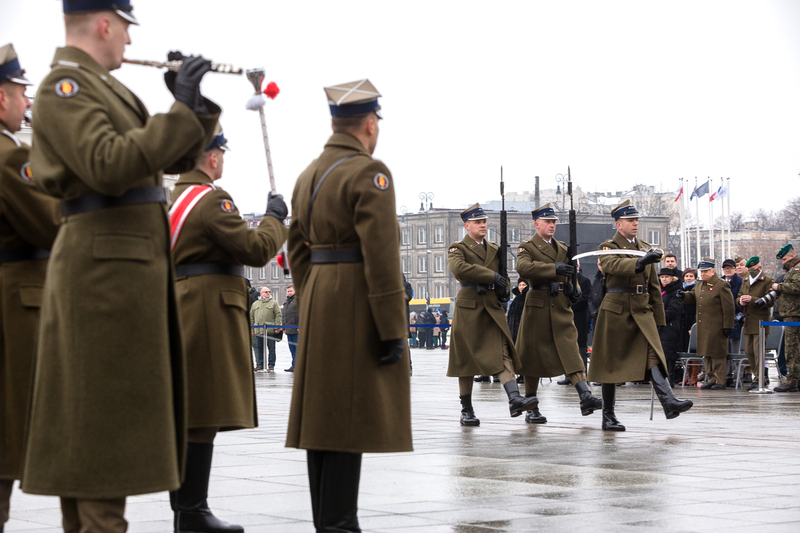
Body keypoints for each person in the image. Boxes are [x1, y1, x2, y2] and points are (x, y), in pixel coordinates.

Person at [22, 2, 220, 531]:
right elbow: (109, 164)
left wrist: (193, 107)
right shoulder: (65, 86)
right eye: (127, 30)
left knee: (99, 449)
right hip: (101, 280)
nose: (130, 44)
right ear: (106, 23)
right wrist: (178, 112)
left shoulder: (100, 87)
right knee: (101, 443)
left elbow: (164, 158)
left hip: (116, 275)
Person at [285, 78, 411, 532]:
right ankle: (341, 525)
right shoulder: (368, 172)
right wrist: (393, 328)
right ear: (370, 124)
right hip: (356, 299)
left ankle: (330, 521)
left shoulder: (308, 174)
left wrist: (315, 290)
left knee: (324, 417)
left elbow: (296, 245)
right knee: (350, 417)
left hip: (321, 294)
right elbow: (381, 256)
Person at [169, 125, 288, 532]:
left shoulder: (174, 198)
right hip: (208, 308)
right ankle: (192, 510)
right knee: (202, 412)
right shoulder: (212, 199)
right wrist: (274, 218)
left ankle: (188, 509)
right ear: (213, 156)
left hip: (185, 301)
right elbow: (254, 249)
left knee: (191, 412)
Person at [0, 43, 60, 530]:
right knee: (7, 441)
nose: (28, 102)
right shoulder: (8, 156)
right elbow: (53, 224)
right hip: (13, 308)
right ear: (2, 99)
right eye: (22, 91)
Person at [589, 200, 692, 431]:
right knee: (610, 364)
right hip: (616, 308)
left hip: (642, 307)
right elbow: (612, 266)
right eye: (630, 220)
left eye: (636, 220)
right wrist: (639, 262)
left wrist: (658, 316)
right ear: (618, 224)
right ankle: (608, 415)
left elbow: (653, 284)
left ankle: (669, 402)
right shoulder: (608, 246)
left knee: (653, 355)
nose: (635, 223)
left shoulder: (644, 246)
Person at [447, 203, 537, 426]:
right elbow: (460, 269)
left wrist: (504, 287)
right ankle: (466, 409)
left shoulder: (495, 249)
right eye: (478, 222)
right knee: (466, 362)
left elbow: (504, 276)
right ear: (467, 226)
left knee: (503, 351)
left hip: (491, 306)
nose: (483, 225)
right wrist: (491, 276)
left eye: (485, 222)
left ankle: (514, 397)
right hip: (469, 307)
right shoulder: (458, 248)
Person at [515, 203, 602, 423]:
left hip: (561, 305)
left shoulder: (562, 247)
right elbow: (523, 268)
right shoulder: (528, 246)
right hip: (538, 305)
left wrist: (576, 291)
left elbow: (572, 275)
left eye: (554, 222)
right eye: (547, 222)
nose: (552, 225)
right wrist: (554, 268)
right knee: (532, 357)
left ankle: (585, 395)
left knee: (571, 350)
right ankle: (531, 404)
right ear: (537, 224)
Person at [678, 259, 735, 389]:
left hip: (717, 325)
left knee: (717, 354)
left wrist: (728, 325)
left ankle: (720, 380)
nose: (703, 274)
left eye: (706, 271)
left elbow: (729, 308)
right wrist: (683, 296)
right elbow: (693, 296)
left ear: (713, 271)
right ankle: (710, 378)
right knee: (707, 352)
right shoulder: (699, 285)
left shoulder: (721, 285)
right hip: (704, 325)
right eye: (701, 272)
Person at [737, 256, 774, 390]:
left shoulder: (767, 281)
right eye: (750, 269)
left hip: (761, 322)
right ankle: (756, 375)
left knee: (759, 352)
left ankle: (759, 378)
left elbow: (770, 301)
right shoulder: (745, 280)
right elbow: (739, 295)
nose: (751, 271)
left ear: (759, 268)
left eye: (753, 269)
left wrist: (752, 299)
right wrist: (740, 301)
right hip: (748, 321)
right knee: (749, 351)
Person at [772, 244, 800, 392]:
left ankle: (792, 380)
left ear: (791, 256)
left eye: (784, 259)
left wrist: (778, 287)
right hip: (791, 314)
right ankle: (795, 379)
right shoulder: (792, 270)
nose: (782, 262)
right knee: (794, 347)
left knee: (792, 348)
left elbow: (796, 286)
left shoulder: (797, 269)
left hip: (795, 314)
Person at [659, 267, 684, 384]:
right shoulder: (661, 291)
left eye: (666, 277)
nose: (664, 279)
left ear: (672, 278)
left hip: (670, 325)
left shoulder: (675, 291)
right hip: (660, 326)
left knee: (669, 352)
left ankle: (670, 377)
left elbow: (673, 310)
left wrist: (658, 318)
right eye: (662, 277)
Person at [250, 287, 281, 372]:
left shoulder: (274, 303)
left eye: (269, 292)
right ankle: (260, 364)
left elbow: (278, 315)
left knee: (271, 349)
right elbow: (251, 317)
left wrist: (277, 327)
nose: (268, 293)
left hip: (270, 330)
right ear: (261, 294)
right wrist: (252, 329)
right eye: (266, 292)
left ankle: (271, 365)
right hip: (258, 330)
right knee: (259, 348)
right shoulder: (255, 304)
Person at [680, 268, 700, 385]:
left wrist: (693, 325)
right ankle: (686, 375)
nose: (688, 278)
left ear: (695, 278)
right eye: (687, 276)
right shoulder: (681, 289)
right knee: (685, 348)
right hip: (683, 322)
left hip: (692, 320)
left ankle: (694, 375)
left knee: (694, 349)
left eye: (691, 276)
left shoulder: (696, 289)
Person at [721, 258, 744, 359]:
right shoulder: (719, 282)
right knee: (725, 351)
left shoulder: (741, 282)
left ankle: (739, 373)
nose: (728, 270)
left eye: (730, 268)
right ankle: (728, 374)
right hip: (722, 320)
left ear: (735, 269)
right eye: (725, 268)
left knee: (736, 350)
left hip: (736, 319)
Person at [506, 279, 528, 343]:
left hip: (523, 332)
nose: (521, 287)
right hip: (512, 332)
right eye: (519, 285)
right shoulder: (516, 300)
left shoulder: (527, 299)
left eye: (523, 285)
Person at [283, 285, 299, 372]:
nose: (289, 293)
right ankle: (294, 365)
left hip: (296, 329)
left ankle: (297, 365)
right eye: (288, 291)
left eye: (291, 291)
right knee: (292, 349)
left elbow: (301, 314)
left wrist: (300, 325)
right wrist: (284, 327)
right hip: (289, 329)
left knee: (297, 349)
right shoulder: (286, 302)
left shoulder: (297, 301)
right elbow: (284, 315)